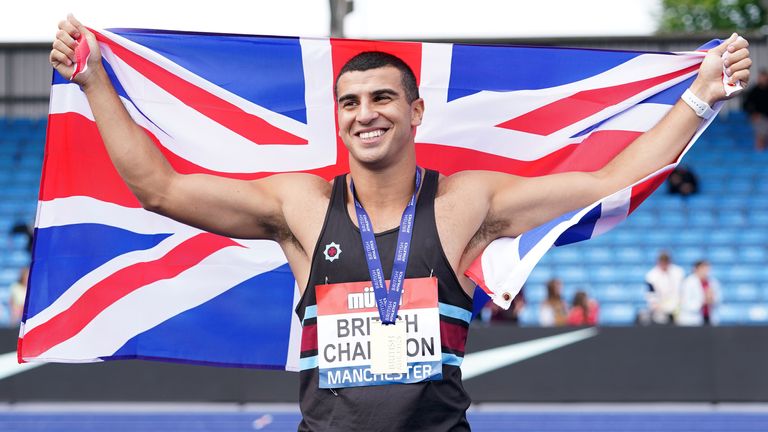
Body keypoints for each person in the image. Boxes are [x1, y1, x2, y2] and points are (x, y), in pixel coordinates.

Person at [50, 15, 751, 431]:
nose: (367, 113)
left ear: (416, 113)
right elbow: (159, 188)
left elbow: (606, 181)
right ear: (337, 119)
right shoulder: (300, 208)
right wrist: (93, 80)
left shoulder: (465, 204)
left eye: (384, 97)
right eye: (350, 102)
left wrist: (699, 96)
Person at [645, 251, 685, 325]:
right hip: (660, 306)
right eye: (662, 262)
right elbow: (651, 293)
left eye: (666, 262)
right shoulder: (651, 275)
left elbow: (683, 289)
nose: (664, 265)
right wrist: (656, 304)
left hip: (678, 306)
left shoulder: (679, 272)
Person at [679, 260, 722, 326]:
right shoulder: (688, 282)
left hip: (709, 317)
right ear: (696, 269)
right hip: (692, 319)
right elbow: (685, 303)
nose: (705, 272)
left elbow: (718, 298)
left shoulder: (713, 282)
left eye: (707, 269)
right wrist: (703, 301)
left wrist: (712, 299)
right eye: (703, 269)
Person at [742, 69, 768, 151]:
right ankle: (759, 152)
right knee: (761, 135)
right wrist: (753, 113)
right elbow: (746, 104)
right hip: (760, 117)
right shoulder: (754, 90)